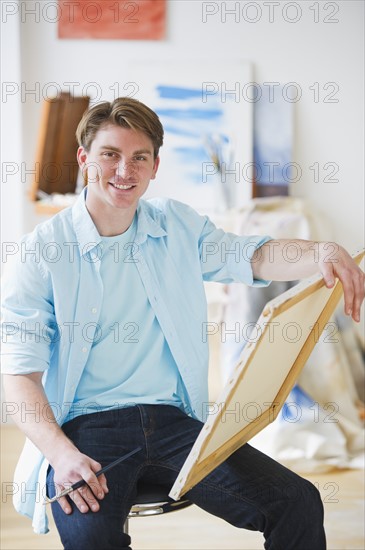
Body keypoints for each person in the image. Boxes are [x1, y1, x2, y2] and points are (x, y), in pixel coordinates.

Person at [1, 97, 364, 550]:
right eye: (110, 155)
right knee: (94, 542)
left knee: (298, 502)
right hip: (86, 433)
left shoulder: (176, 225)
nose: (123, 171)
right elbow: (18, 376)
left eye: (139, 158)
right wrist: (61, 455)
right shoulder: (41, 251)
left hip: (176, 425)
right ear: (84, 159)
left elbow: (250, 255)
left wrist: (320, 252)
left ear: (155, 167)